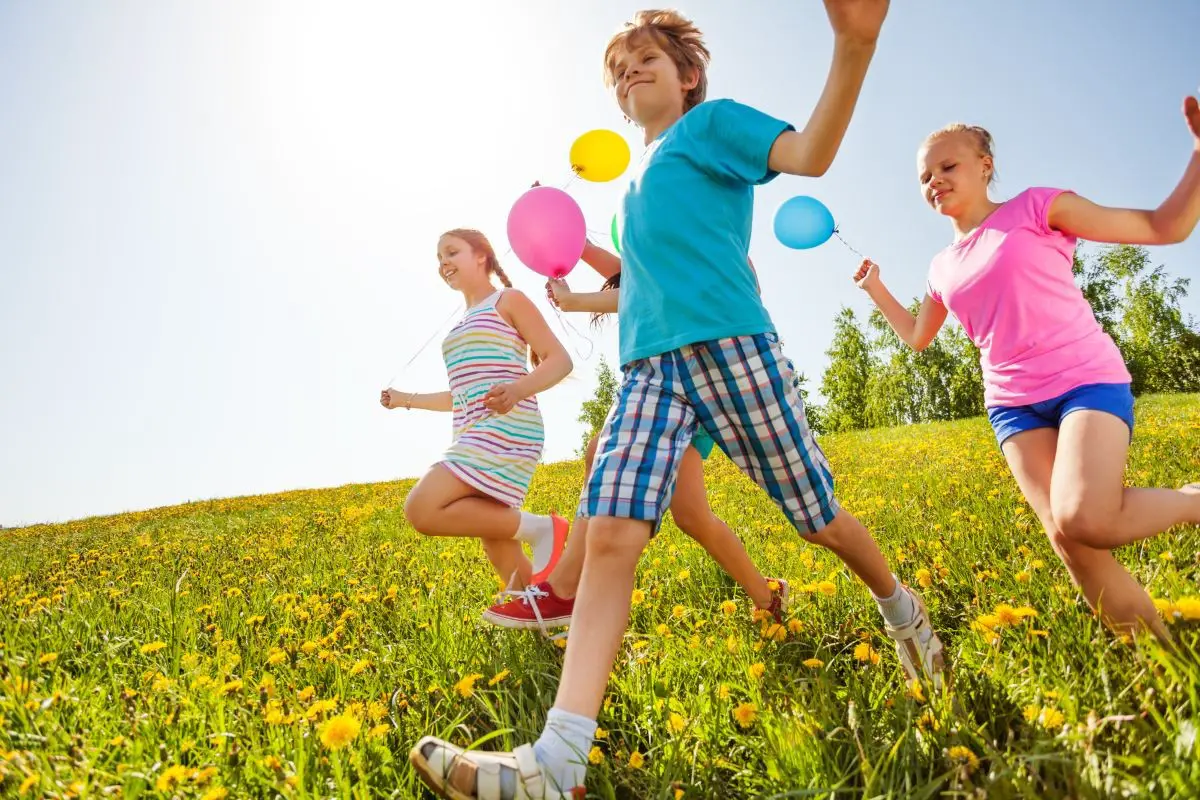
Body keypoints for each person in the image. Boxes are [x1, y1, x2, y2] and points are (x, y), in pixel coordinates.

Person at [409, 5, 947, 799]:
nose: (629, 73)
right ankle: (558, 762)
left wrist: (853, 46)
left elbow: (811, 153)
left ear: (687, 74)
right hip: (650, 372)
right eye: (618, 71)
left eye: (644, 59)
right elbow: (637, 284)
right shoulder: (633, 191)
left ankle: (903, 612)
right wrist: (580, 281)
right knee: (614, 529)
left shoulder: (713, 129)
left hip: (733, 349)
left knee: (816, 518)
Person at [852, 101, 1200, 642]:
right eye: (925, 176)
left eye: (948, 167)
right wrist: (876, 288)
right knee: (1070, 542)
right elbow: (919, 337)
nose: (935, 181)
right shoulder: (942, 266)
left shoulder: (1037, 207)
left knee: (1084, 516)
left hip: (1084, 379)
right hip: (1013, 406)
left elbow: (1164, 226)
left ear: (985, 164)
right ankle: (1159, 657)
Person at [481, 270, 789, 634]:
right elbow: (629, 268)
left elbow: (653, 285)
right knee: (692, 516)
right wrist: (571, 262)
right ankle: (768, 595)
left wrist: (575, 300)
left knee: (601, 450)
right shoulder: (651, 235)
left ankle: (564, 589)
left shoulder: (695, 239)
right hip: (675, 378)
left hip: (697, 374)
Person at [382, 228, 573, 600]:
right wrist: (406, 399)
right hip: (474, 430)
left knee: (421, 508)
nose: (444, 263)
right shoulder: (457, 328)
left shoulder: (508, 300)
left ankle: (543, 529)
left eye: (451, 253)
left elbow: (560, 361)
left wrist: (517, 390)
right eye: (439, 258)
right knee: (497, 539)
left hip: (508, 427)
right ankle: (543, 614)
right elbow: (461, 397)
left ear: (481, 256)